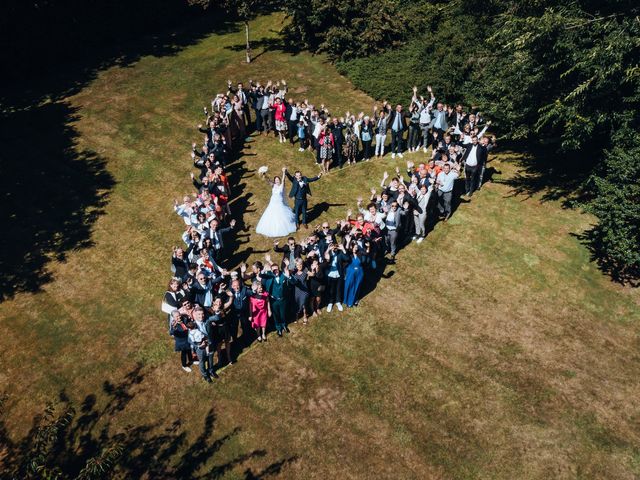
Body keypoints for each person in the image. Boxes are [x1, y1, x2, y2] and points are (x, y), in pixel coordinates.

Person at [255, 171, 297, 237]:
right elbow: (268, 180)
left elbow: (283, 179)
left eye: (278, 180)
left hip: (279, 202)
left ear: (279, 180)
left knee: (281, 214)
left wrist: (283, 172)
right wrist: (264, 175)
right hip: (273, 202)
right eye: (276, 180)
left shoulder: (281, 186)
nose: (277, 181)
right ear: (274, 181)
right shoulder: (273, 186)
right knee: (271, 213)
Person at [260, 257, 291, 336]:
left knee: (283, 314)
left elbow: (291, 279)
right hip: (273, 300)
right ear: (271, 271)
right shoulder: (269, 276)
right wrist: (264, 269)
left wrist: (287, 267)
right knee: (276, 315)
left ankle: (284, 325)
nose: (275, 271)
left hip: (283, 299)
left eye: (277, 269)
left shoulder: (283, 275)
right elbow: (261, 275)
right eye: (273, 270)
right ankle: (278, 328)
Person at [342, 242, 371, 307]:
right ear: (352, 247)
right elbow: (345, 253)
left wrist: (368, 246)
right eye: (355, 247)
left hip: (359, 273)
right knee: (348, 286)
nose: (356, 248)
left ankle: (353, 300)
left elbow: (367, 252)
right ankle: (347, 300)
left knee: (356, 286)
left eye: (357, 247)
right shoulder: (349, 253)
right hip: (350, 273)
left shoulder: (360, 252)